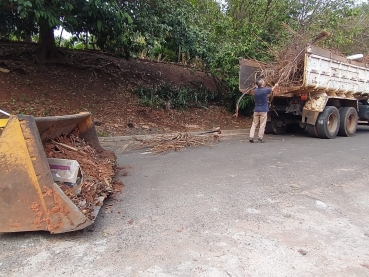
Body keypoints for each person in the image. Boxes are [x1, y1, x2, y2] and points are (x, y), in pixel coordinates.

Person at [249, 78, 278, 143]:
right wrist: (276, 86)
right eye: (263, 82)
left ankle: (251, 136)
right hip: (263, 110)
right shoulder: (265, 90)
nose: (264, 82)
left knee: (254, 124)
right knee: (262, 124)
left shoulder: (255, 91)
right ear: (262, 83)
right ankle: (260, 138)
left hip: (256, 110)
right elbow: (272, 89)